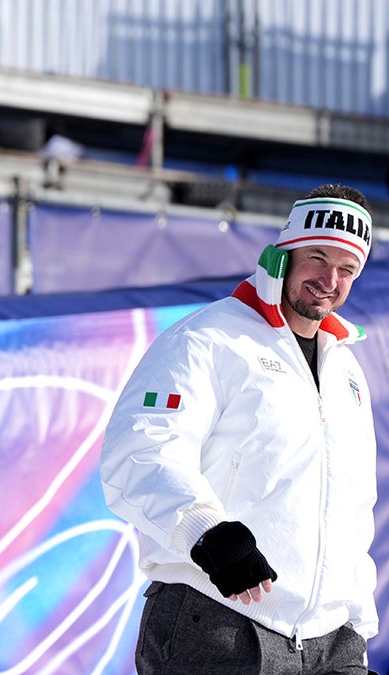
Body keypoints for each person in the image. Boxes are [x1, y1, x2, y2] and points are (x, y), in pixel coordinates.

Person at [99, 184, 379, 673]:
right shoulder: (208, 338)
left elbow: (354, 504)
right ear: (285, 253)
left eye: (347, 268)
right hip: (217, 619)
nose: (329, 279)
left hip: (329, 642)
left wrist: (357, 620)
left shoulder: (346, 370)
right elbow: (141, 451)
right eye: (317, 257)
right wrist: (208, 533)